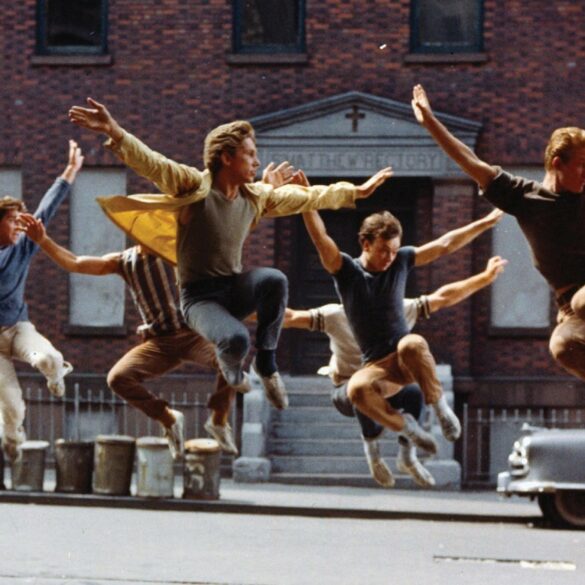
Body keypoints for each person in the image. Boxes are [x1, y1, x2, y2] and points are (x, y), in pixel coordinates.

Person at [68, 99, 393, 412]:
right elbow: (153, 163)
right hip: (199, 300)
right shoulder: (194, 187)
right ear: (226, 157)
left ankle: (267, 365)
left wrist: (355, 191)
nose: (256, 162)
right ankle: (233, 371)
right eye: (250, 154)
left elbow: (307, 197)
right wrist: (114, 131)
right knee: (236, 339)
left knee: (274, 280)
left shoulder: (255, 197)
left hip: (233, 288)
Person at [301, 181, 504, 468]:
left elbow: (445, 245)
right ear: (366, 244)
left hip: (404, 359)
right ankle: (406, 428)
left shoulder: (402, 260)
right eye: (384, 250)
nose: (390, 258)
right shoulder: (346, 271)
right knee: (356, 390)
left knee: (412, 342)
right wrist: (306, 199)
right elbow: (320, 238)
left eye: (394, 251)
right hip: (376, 368)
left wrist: (484, 223)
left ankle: (441, 409)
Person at [411, 84, 585, 381]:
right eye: (582, 166)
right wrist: (430, 122)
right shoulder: (525, 197)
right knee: (562, 345)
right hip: (571, 306)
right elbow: (470, 161)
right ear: (558, 164)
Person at [284, 255, 506, 487]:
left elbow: (443, 297)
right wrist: (257, 311)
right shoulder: (335, 315)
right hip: (347, 389)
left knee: (414, 394)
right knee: (360, 390)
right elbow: (290, 317)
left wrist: (485, 277)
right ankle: (373, 454)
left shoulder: (398, 309)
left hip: (386, 381)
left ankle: (407, 456)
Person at [0, 140, 83, 462]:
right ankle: (12, 440)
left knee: (47, 358)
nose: (19, 226)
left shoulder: (23, 247)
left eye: (20, 221)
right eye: (12, 220)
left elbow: (46, 210)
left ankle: (56, 374)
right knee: (13, 406)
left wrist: (69, 172)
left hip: (18, 330)